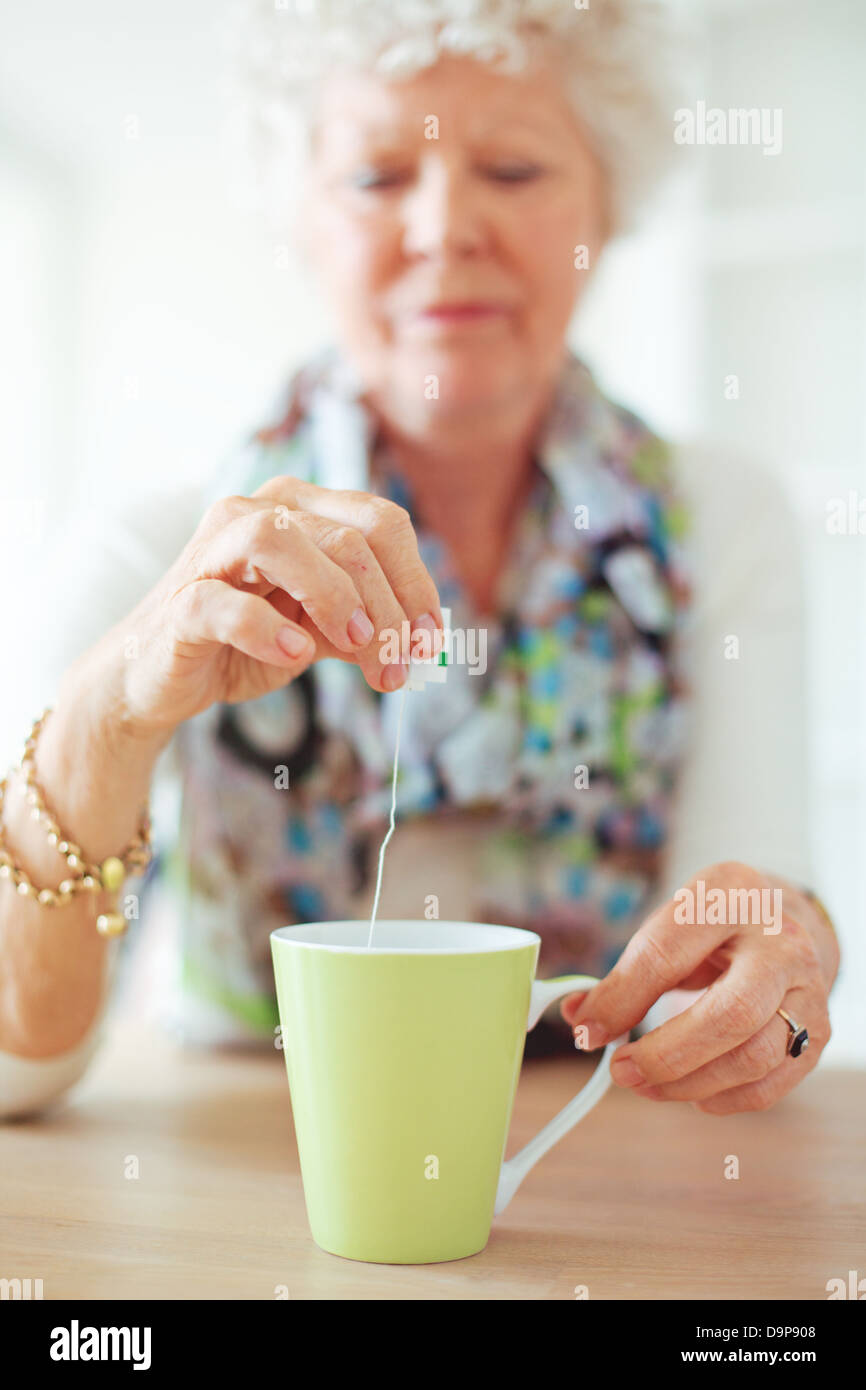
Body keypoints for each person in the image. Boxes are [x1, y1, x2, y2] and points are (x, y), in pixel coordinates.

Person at [0, 0, 837, 1122]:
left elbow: (752, 911)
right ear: (300, 219)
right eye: (378, 178)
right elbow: (18, 1069)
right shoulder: (156, 554)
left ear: (607, 201)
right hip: (243, 1172)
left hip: (593, 1166)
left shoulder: (720, 521)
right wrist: (107, 714)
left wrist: (792, 948)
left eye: (512, 167)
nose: (445, 228)